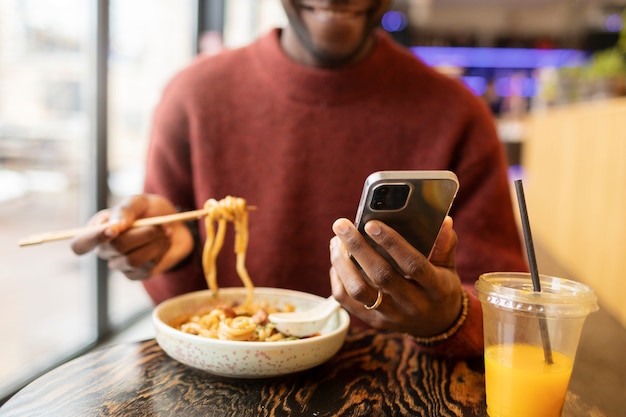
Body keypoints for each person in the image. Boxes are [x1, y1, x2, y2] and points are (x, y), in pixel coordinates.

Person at [71, 0, 527, 357]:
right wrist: (169, 253)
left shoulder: (458, 114)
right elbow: (183, 309)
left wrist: (448, 317)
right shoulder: (193, 96)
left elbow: (518, 320)